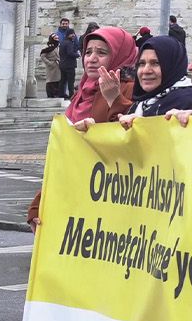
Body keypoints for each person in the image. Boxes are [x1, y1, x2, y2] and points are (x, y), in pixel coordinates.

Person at [29, 25, 136, 229]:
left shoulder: (129, 89)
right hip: (75, 199)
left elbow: (132, 141)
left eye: (102, 53)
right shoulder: (80, 94)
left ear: (120, 55)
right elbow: (66, 155)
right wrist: (38, 204)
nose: (91, 59)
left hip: (110, 206)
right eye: (88, 52)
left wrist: (115, 99)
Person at [130, 34, 192, 117]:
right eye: (142, 63)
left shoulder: (188, 102)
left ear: (172, 66)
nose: (146, 70)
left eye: (155, 63)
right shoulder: (140, 104)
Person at [55, 19, 79, 96]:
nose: (74, 36)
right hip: (68, 64)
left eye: (66, 23)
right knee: (70, 81)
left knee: (63, 80)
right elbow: (70, 53)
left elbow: (76, 45)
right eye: (63, 23)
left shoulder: (65, 42)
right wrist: (77, 54)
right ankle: (71, 95)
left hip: (63, 63)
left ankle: (61, 94)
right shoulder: (67, 41)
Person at [38, 35, 61, 99]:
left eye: (57, 38)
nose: (57, 39)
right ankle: (50, 94)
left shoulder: (58, 46)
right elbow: (43, 56)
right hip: (51, 66)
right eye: (55, 38)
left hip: (57, 65)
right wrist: (49, 63)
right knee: (50, 80)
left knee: (57, 80)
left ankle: (56, 94)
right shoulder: (48, 46)